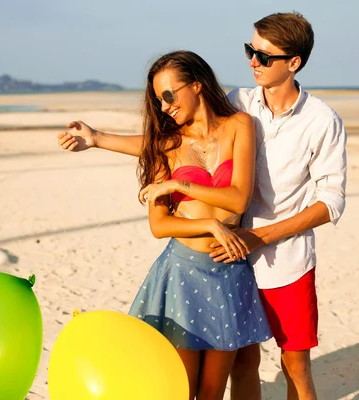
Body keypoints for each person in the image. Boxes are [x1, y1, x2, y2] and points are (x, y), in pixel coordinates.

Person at [58, 12, 347, 400]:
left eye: (263, 56)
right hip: (226, 260)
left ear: (293, 63)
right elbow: (170, 142)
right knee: (239, 366)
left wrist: (256, 235)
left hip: (283, 257)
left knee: (293, 365)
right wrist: (97, 138)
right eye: (250, 51)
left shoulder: (320, 121)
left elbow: (331, 200)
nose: (252, 62)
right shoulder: (238, 102)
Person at [106, 50, 273, 400]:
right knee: (182, 389)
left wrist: (178, 185)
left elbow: (239, 198)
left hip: (229, 271)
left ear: (196, 85)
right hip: (182, 275)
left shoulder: (240, 125)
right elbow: (160, 225)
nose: (164, 106)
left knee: (212, 391)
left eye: (168, 95)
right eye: (158, 100)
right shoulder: (166, 145)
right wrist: (211, 224)